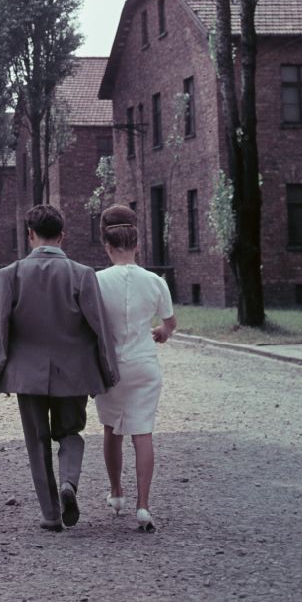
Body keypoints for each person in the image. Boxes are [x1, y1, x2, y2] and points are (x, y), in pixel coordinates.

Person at [0, 204, 119, 532]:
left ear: (30, 235)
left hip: (27, 375)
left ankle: (51, 514)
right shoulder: (82, 274)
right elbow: (100, 326)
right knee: (70, 432)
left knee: (37, 441)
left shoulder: (9, 275)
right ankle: (69, 483)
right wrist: (108, 371)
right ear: (63, 236)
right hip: (74, 372)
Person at [94, 204, 177, 533]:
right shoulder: (155, 281)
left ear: (108, 247)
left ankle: (116, 493)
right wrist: (161, 333)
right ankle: (144, 506)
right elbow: (170, 322)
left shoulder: (97, 281)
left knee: (112, 430)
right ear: (137, 246)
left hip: (111, 365)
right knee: (143, 433)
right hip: (144, 363)